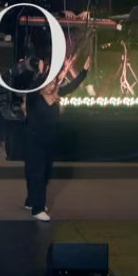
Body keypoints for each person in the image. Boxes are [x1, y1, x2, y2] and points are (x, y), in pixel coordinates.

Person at [23, 54, 91, 221]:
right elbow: (33, 86)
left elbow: (72, 86)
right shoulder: (34, 98)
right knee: (37, 174)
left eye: (54, 83)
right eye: (49, 83)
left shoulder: (56, 94)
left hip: (49, 142)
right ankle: (38, 208)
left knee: (45, 174)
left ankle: (31, 201)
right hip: (35, 143)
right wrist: (40, 73)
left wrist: (84, 71)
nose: (52, 85)